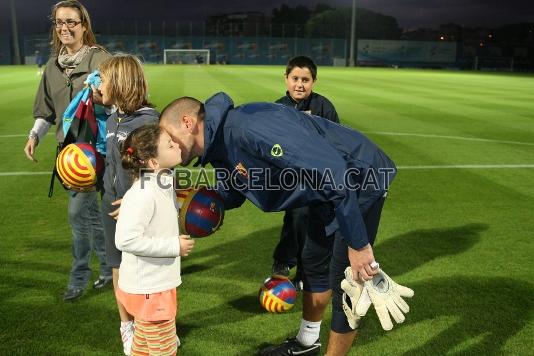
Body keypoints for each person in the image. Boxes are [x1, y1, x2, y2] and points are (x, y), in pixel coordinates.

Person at [159, 92, 397, 355]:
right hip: (322, 191)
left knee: (347, 280)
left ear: (188, 122)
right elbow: (234, 189)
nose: (166, 144)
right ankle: (307, 343)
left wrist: (359, 245)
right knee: (314, 263)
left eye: (168, 136)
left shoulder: (249, 128)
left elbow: (335, 174)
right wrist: (195, 203)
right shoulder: (219, 145)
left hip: (358, 180)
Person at [23, 0, 111, 302]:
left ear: (84, 25)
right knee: (91, 216)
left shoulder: (100, 60)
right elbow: (47, 111)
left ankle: (78, 279)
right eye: (59, 22)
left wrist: (100, 97)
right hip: (73, 155)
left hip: (102, 149)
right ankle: (110, 271)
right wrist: (35, 135)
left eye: (71, 22)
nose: (64, 27)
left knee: (78, 216)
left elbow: (120, 100)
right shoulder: (52, 66)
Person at [97, 54, 160, 355]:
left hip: (142, 211)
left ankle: (153, 328)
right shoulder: (111, 118)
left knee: (148, 271)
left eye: (104, 78)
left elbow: (161, 173)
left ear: (120, 83)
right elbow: (112, 164)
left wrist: (136, 202)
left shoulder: (149, 121)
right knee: (118, 266)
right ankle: (127, 328)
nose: (99, 84)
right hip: (111, 206)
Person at [115, 124, 194, 356]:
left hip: (154, 284)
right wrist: (173, 246)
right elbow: (125, 240)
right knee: (164, 350)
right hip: (149, 288)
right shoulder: (143, 193)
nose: (176, 145)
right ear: (153, 163)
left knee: (142, 347)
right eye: (169, 144)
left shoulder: (163, 181)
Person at [272, 56, 340, 293]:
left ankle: (305, 270)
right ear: (286, 79)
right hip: (290, 176)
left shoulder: (324, 107)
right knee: (297, 217)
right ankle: (284, 260)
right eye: (295, 79)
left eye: (305, 80)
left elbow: (336, 141)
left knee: (316, 221)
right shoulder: (277, 107)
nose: (300, 84)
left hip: (319, 176)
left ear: (314, 81)